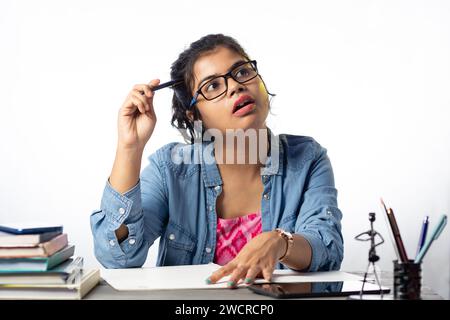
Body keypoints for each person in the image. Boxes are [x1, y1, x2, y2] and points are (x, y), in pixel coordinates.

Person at [90, 34, 343, 288]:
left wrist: (281, 242)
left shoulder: (308, 160)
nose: (235, 86)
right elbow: (118, 258)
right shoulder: (170, 169)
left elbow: (327, 249)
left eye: (242, 72)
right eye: (212, 86)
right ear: (194, 115)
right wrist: (129, 147)